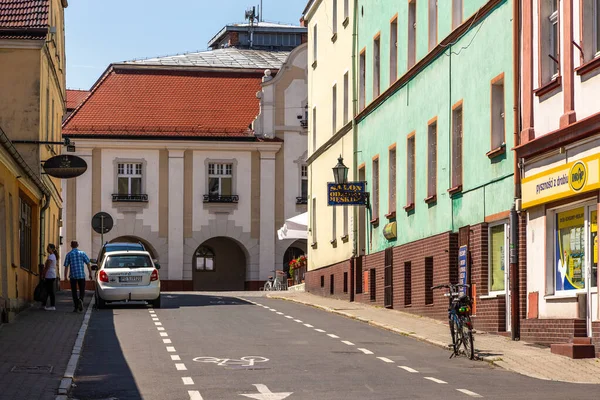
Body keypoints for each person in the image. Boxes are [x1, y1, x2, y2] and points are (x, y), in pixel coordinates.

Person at [63, 240, 92, 312]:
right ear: (77, 245)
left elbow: (66, 266)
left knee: (74, 291)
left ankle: (76, 307)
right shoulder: (82, 253)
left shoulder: (69, 254)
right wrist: (90, 273)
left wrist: (65, 277)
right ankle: (81, 299)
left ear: (71, 246)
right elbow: (88, 263)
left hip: (73, 276)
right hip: (81, 275)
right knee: (82, 290)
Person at [41, 243, 58, 311]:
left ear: (52, 249)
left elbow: (47, 267)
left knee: (50, 291)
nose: (47, 249)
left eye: (48, 248)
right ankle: (44, 305)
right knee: (47, 290)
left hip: (50, 275)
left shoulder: (51, 256)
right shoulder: (52, 256)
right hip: (51, 274)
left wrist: (43, 274)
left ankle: (52, 306)